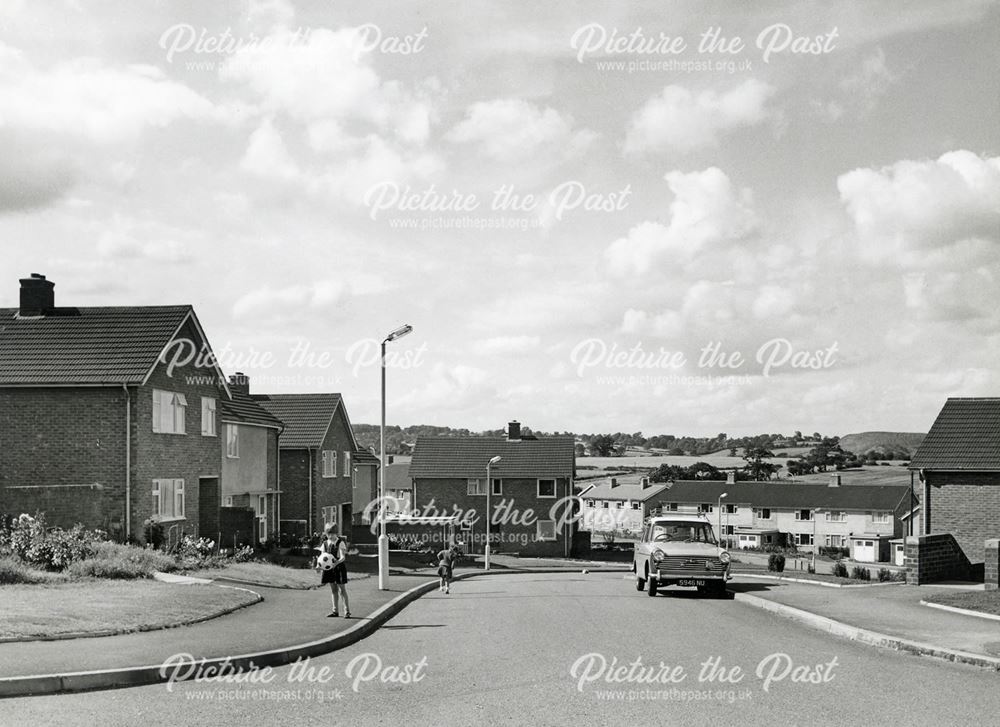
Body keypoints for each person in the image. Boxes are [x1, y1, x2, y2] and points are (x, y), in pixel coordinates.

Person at [317, 524, 350, 618]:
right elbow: (322, 558)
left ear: (336, 533)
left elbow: (343, 557)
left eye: (332, 534)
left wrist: (336, 562)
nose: (330, 536)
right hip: (329, 569)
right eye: (328, 534)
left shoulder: (340, 543)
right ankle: (335, 611)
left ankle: (347, 611)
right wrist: (318, 566)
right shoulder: (325, 544)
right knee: (333, 589)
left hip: (339, 568)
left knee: (342, 589)